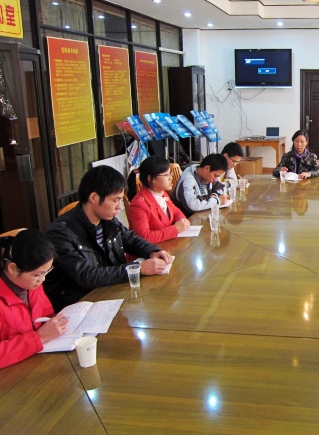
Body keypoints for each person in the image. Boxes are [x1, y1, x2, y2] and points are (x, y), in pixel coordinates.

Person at [45, 165, 172, 311]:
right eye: (115, 200)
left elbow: (131, 239)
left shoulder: (107, 220)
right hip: (82, 304)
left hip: (113, 292)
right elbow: (87, 275)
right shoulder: (60, 233)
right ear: (94, 197)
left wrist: (152, 251)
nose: (120, 206)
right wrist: (137, 269)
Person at [0, 230, 69, 369]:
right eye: (37, 274)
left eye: (46, 272)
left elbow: (47, 313)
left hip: (37, 361)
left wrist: (56, 323)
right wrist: (39, 338)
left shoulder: (32, 286)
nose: (42, 280)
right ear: (13, 268)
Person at [128, 156, 191, 244]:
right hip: (151, 251)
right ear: (151, 178)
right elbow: (144, 237)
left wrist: (182, 221)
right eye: (166, 174)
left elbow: (175, 211)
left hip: (167, 244)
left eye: (170, 173)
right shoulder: (138, 204)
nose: (171, 178)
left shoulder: (162, 193)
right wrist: (175, 229)